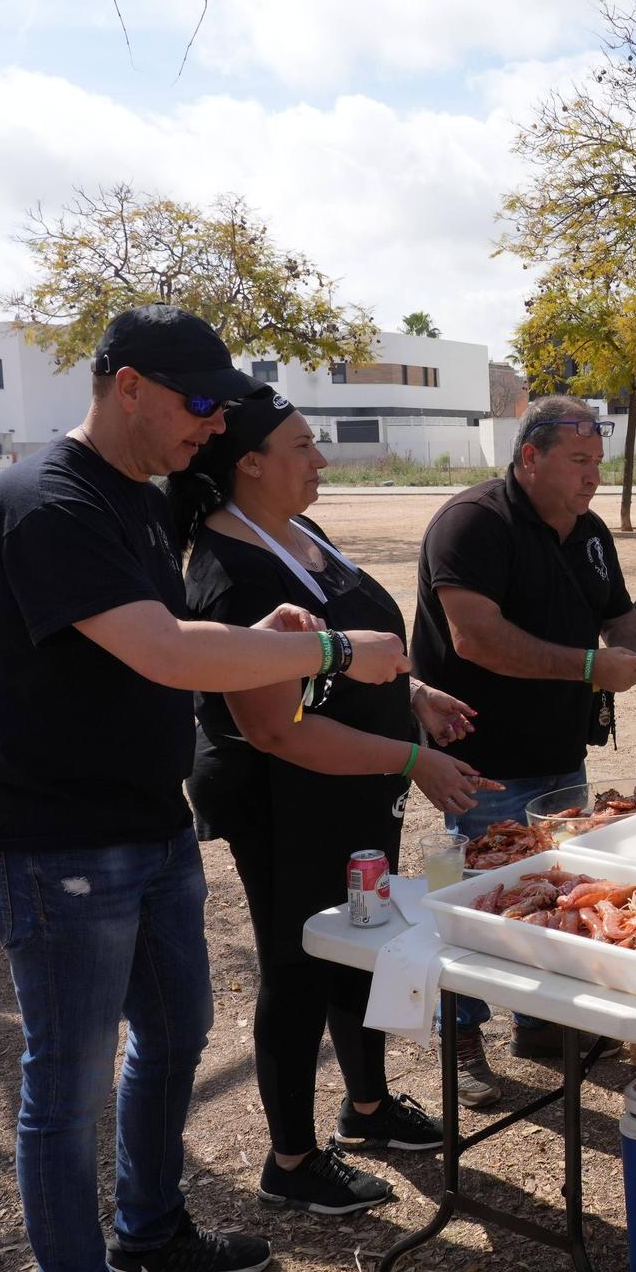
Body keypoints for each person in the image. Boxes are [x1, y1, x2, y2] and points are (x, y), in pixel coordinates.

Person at [0, 305, 411, 1272]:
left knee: (172, 1034)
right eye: (199, 402)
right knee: (66, 1084)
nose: (212, 423)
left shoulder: (139, 500)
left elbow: (167, 640)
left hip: (147, 825)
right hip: (55, 842)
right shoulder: (47, 501)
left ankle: (151, 1233)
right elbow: (160, 650)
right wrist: (328, 646)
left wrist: (260, 630)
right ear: (127, 388)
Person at [170, 396, 489, 1217]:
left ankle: (369, 1107)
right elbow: (280, 729)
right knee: (299, 963)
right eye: (303, 445)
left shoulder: (299, 535)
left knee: (362, 941)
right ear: (248, 461)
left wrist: (411, 693)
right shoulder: (230, 571)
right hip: (289, 799)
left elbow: (344, 658)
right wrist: (413, 758)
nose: (321, 461)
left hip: (355, 790)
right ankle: (291, 1157)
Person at [412, 395, 636, 1104]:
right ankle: (462, 1034)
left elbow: (615, 613)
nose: (593, 476)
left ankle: (540, 1022)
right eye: (578, 461)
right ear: (528, 457)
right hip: (482, 753)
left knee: (554, 892)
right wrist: (590, 667)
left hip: (560, 749)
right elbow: (476, 637)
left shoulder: (589, 530)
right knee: (480, 904)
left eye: (598, 461)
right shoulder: (473, 523)